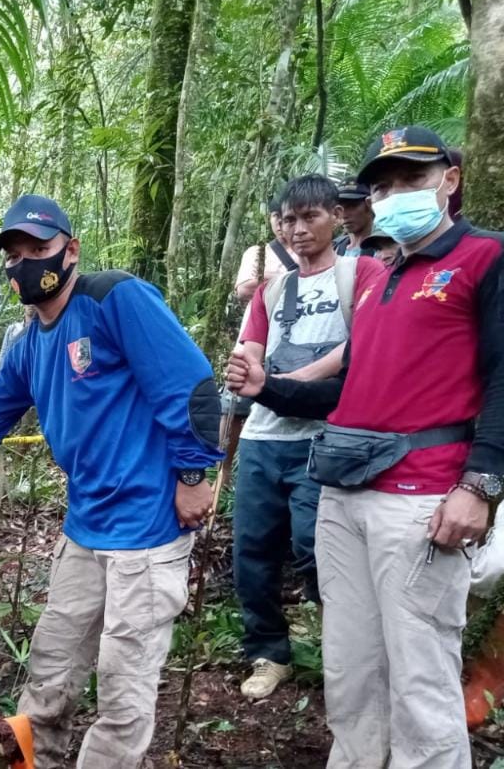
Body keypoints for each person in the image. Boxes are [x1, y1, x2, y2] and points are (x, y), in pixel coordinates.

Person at [0, 195, 223, 768]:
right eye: (14, 254)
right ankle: (29, 761)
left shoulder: (114, 300)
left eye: (38, 250)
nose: (25, 263)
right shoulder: (29, 345)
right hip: (85, 527)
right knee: (50, 667)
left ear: (70, 250)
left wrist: (194, 474)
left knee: (123, 689)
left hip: (145, 529)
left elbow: (188, 385)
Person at [226, 125, 504, 768]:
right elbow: (350, 392)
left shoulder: (486, 258)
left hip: (423, 495)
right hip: (344, 490)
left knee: (421, 673)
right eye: (383, 186)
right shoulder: (380, 280)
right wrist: (270, 389)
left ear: (450, 181)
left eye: (413, 179)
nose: (396, 194)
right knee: (349, 667)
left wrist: (480, 485)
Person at [230, 175, 386, 700]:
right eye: (288, 220)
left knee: (316, 548)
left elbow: (361, 344)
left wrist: (283, 384)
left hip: (327, 438)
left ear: (336, 216)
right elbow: (252, 344)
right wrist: (249, 371)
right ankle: (268, 652)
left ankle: (344, 649)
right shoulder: (273, 289)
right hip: (262, 437)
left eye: (310, 217)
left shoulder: (360, 272)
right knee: (251, 550)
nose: (298, 230)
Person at [234, 197, 300, 303]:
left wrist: (265, 278)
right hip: (263, 316)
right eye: (276, 216)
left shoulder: (309, 251)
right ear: (270, 219)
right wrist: (297, 278)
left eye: (286, 216)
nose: (280, 221)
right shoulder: (255, 252)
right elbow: (244, 290)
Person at [335, 179, 374, 257]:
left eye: (352, 206)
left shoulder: (386, 249)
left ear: (369, 204)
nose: (344, 215)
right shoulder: (335, 248)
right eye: (340, 208)